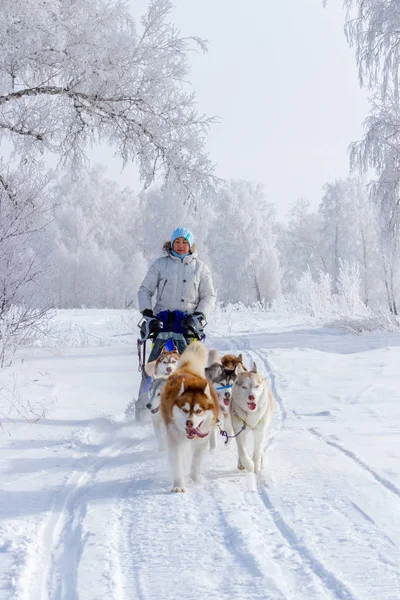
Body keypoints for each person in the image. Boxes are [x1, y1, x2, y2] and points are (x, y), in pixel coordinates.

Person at [135, 227, 216, 419]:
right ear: (171, 244)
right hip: (162, 324)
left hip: (187, 326)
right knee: (153, 368)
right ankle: (142, 412)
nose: (180, 246)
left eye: (184, 242)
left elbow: (209, 296)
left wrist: (198, 317)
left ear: (191, 245)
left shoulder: (201, 268)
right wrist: (148, 315)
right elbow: (144, 290)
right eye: (177, 242)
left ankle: (192, 411)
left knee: (190, 370)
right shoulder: (160, 265)